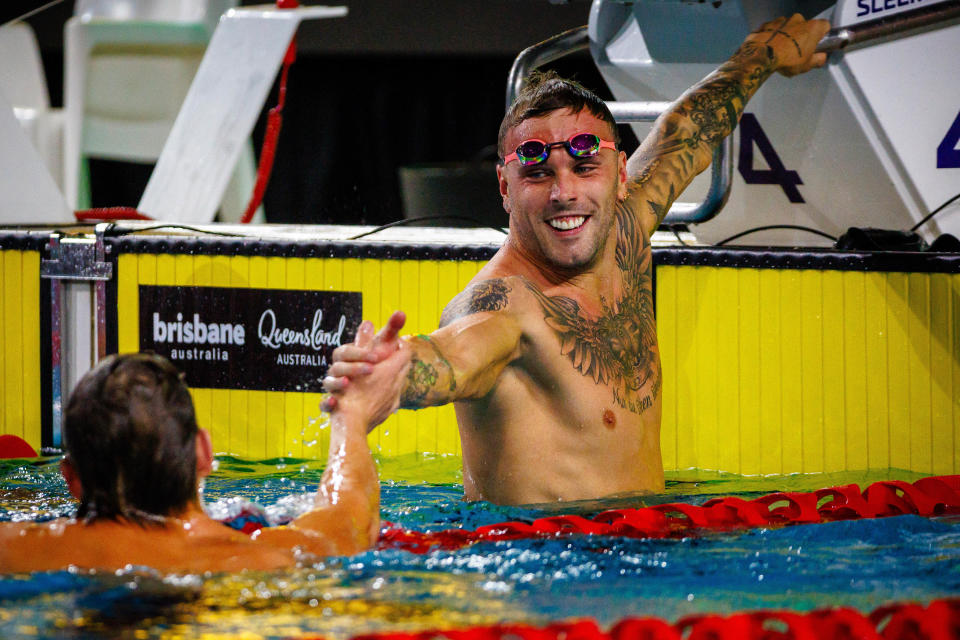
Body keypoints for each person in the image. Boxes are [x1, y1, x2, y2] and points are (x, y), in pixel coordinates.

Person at [323, 15, 832, 505]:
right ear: (505, 186)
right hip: (546, 566)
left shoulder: (625, 235)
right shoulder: (506, 305)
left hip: (640, 545)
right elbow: (453, 355)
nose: (565, 193)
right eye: (539, 174)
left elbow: (688, 132)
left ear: (621, 175)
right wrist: (395, 370)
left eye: (585, 167)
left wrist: (763, 55)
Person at [0, 334, 406, 573]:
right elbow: (353, 520)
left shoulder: (17, 549)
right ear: (204, 452)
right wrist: (351, 415)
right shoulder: (260, 558)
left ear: (71, 478)